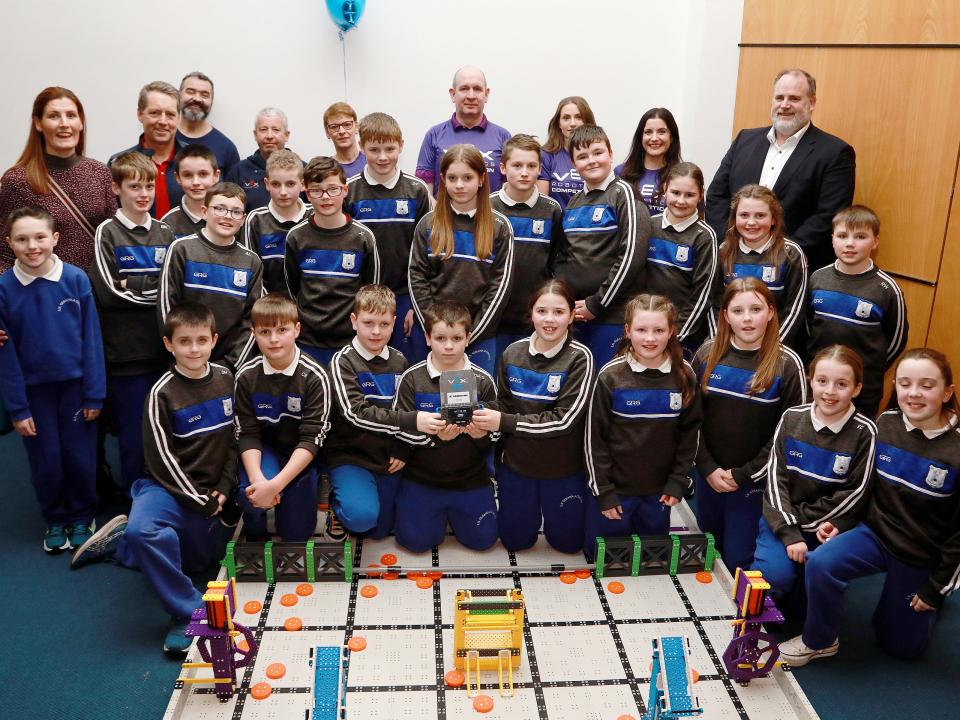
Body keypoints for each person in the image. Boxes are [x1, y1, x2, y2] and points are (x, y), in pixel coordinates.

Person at [71, 302, 239, 657]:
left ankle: (122, 547)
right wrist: (201, 500)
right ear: (169, 345)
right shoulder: (161, 393)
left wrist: (223, 490)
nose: (193, 349)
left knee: (200, 563)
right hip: (166, 488)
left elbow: (235, 443)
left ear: (214, 340)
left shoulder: (227, 379)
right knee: (146, 531)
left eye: (201, 340)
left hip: (212, 493)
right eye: (184, 341)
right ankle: (188, 612)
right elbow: (161, 460)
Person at [780, 348, 960, 665]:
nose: (914, 394)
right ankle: (820, 640)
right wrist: (844, 522)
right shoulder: (886, 423)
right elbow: (866, 488)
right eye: (905, 383)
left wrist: (936, 588)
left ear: (947, 392)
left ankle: (930, 601)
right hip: (875, 534)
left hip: (921, 553)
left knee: (900, 647)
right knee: (821, 562)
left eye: (927, 385)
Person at [0, 206, 105, 552]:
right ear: (9, 243)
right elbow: (7, 354)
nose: (32, 246)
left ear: (55, 239)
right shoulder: (4, 288)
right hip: (33, 394)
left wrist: (94, 395)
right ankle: (55, 519)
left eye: (40, 237)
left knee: (79, 456)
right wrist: (17, 408)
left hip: (76, 390)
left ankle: (81, 515)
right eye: (22, 239)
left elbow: (92, 340)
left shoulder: (76, 279)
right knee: (46, 458)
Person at [472, 280, 594, 553]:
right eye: (542, 311)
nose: (549, 320)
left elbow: (565, 419)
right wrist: (480, 423)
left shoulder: (580, 357)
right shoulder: (512, 353)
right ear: (531, 313)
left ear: (572, 315)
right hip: (518, 467)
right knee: (515, 543)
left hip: (562, 470)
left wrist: (504, 422)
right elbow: (503, 403)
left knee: (568, 544)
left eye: (559, 312)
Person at [693, 278, 807, 572]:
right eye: (738, 310)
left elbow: (789, 436)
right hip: (710, 474)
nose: (747, 318)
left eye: (755, 309)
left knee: (736, 561)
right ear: (725, 315)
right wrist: (707, 468)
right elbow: (690, 420)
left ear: (770, 312)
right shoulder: (706, 355)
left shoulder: (787, 364)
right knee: (708, 547)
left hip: (753, 480)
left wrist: (744, 474)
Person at [754, 345, 876, 606]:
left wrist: (807, 526)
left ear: (856, 389)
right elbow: (776, 480)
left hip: (826, 526)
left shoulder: (865, 432)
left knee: (812, 593)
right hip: (783, 520)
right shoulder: (791, 417)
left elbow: (856, 493)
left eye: (841, 384)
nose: (830, 391)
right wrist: (789, 531)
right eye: (822, 381)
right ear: (811, 381)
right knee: (773, 576)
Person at [583, 294, 701, 560]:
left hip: (658, 494)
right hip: (615, 494)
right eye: (641, 330)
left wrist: (676, 482)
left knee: (651, 559)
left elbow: (690, 435)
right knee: (602, 558)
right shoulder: (610, 376)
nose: (650, 338)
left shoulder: (685, 376)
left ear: (671, 331)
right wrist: (605, 492)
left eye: (659, 330)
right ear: (627, 331)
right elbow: (594, 440)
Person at [706, 69, 855, 272]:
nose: (784, 105)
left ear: (811, 103)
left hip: (790, 269)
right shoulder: (745, 139)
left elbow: (828, 215)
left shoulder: (835, 152)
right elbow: (716, 196)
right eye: (779, 97)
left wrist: (778, 255)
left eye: (794, 98)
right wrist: (729, 244)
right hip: (732, 264)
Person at [327, 285, 444, 539]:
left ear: (394, 323)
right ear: (354, 321)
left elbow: (406, 407)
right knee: (362, 519)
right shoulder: (342, 361)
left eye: (383, 323)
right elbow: (355, 413)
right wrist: (413, 421)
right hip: (351, 456)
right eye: (368, 323)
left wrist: (402, 449)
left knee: (381, 530)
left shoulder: (400, 361)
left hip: (388, 457)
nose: (376, 331)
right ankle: (337, 504)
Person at [90, 151, 175, 492]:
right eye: (134, 186)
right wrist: (153, 291)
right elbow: (109, 292)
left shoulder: (166, 232)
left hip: (164, 352)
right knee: (133, 436)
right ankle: (133, 506)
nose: (143, 194)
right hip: (125, 357)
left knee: (165, 432)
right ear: (116, 188)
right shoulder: (106, 233)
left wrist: (134, 284)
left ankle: (163, 499)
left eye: (149, 186)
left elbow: (174, 288)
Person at [392, 302, 499, 552]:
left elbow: (495, 436)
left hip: (470, 478)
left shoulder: (483, 380)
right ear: (428, 338)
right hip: (423, 478)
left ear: (468, 338)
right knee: (414, 543)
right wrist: (433, 437)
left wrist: (482, 434)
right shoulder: (411, 378)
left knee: (483, 541)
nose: (448, 346)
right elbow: (400, 429)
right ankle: (429, 512)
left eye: (456, 338)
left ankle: (466, 508)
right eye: (440, 338)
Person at [408, 144, 514, 374]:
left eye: (467, 177)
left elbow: (500, 288)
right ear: (443, 180)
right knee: (429, 403)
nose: (459, 185)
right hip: (432, 337)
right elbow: (417, 278)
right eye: (453, 178)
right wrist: (436, 331)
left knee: (473, 406)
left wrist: (469, 334)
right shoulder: (428, 224)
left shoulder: (500, 227)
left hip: (479, 335)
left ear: (481, 179)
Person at [234, 294, 330, 541]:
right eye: (265, 331)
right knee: (252, 495)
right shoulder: (246, 376)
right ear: (253, 333)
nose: (274, 339)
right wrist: (260, 482)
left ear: (297, 330)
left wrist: (275, 485)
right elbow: (247, 433)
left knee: (296, 534)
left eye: (282, 329)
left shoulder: (315, 376)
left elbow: (312, 438)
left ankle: (308, 483)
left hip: (299, 455)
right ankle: (254, 526)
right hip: (264, 452)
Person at [556, 125, 651, 367]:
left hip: (611, 315)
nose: (591, 161)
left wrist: (597, 303)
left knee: (604, 383)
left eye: (598, 152)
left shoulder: (624, 194)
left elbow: (632, 256)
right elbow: (565, 257)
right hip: (577, 316)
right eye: (582, 156)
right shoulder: (575, 202)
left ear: (610, 153)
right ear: (573, 163)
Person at [0, 87, 115, 273]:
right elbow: (4, 253)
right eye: (54, 116)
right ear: (38, 123)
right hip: (45, 290)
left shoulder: (100, 172)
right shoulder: (18, 180)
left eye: (71, 115)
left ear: (80, 123)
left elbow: (113, 236)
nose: (64, 124)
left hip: (96, 292)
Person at [807, 205, 907, 417]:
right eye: (842, 236)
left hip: (863, 390)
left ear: (875, 242)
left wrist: (868, 368)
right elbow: (808, 326)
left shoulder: (887, 290)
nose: (850, 243)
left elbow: (896, 342)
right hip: (819, 385)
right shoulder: (817, 278)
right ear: (832, 238)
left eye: (860, 236)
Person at [346, 113, 431, 359]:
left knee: (407, 368)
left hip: (406, 297)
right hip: (362, 297)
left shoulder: (416, 191)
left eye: (390, 148)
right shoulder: (349, 191)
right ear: (361, 147)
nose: (382, 157)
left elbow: (425, 252)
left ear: (401, 146)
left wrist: (417, 305)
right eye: (374, 149)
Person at [284, 156, 380, 366]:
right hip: (308, 340)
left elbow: (371, 292)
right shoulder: (296, 237)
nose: (325, 197)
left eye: (333, 189)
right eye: (317, 190)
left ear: (345, 190)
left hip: (351, 341)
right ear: (307, 194)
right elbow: (292, 287)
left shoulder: (363, 237)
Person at [159, 182, 262, 370]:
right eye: (220, 209)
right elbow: (167, 306)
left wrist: (231, 365)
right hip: (183, 361)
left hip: (228, 366)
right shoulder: (182, 249)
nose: (227, 216)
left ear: (243, 218)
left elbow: (251, 321)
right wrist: (181, 355)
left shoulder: (251, 262)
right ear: (204, 211)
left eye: (236, 212)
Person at [490, 134, 565, 357]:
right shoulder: (487, 207)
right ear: (503, 168)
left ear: (540, 168)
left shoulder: (552, 210)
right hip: (493, 319)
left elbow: (556, 263)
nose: (524, 172)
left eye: (531, 165)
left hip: (535, 320)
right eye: (517, 165)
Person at [709, 184, 807, 350]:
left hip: (773, 348)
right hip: (729, 346)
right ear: (734, 218)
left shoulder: (791, 253)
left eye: (760, 215)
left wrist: (771, 348)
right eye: (744, 215)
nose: (751, 222)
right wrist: (721, 343)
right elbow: (715, 305)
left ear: (774, 219)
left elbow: (794, 310)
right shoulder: (723, 251)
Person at [645, 162, 717, 354]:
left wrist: (675, 335)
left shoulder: (704, 236)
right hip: (645, 330)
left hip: (681, 335)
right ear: (664, 189)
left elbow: (703, 295)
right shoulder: (648, 225)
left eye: (690, 195)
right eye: (675, 192)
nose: (681, 201)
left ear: (701, 195)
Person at [416, 66, 512, 195]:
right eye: (464, 88)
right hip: (444, 215)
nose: (471, 96)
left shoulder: (503, 136)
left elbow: (510, 188)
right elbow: (424, 192)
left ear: (486, 94)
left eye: (477, 89)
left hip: (490, 215)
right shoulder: (434, 135)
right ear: (453, 94)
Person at [111, 81, 183, 219]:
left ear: (178, 118)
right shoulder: (119, 163)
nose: (163, 121)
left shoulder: (195, 162)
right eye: (155, 113)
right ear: (139, 114)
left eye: (170, 114)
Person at [242, 149, 310, 295]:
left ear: (303, 184)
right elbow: (252, 274)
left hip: (310, 307)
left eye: (290, 184)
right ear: (267, 184)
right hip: (270, 309)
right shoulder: (255, 220)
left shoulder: (315, 215)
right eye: (276, 184)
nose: (283, 192)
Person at [615, 108, 682, 216]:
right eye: (648, 132)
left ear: (672, 137)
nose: (654, 138)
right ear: (640, 137)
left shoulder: (683, 176)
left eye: (661, 132)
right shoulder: (620, 172)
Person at [227, 107, 293, 211]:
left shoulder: (302, 169)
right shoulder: (239, 171)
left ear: (286, 135)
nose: (269, 136)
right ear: (255, 134)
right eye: (263, 130)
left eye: (276, 130)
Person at [175, 72, 240, 176]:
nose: (197, 98)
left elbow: (233, 191)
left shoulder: (227, 148)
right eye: (190, 92)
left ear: (211, 101)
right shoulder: (164, 139)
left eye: (204, 94)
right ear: (179, 96)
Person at [537, 96, 596, 211]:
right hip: (556, 226)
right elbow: (543, 205)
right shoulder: (546, 155)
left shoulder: (596, 157)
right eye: (566, 118)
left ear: (588, 122)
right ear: (559, 124)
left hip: (588, 225)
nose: (572, 123)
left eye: (579, 117)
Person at [161, 144, 220, 239]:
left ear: (216, 176)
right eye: (187, 175)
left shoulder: (228, 217)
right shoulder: (167, 224)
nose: (195, 182)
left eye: (203, 174)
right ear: (178, 178)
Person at [324, 102, 365, 179]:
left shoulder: (371, 161)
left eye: (347, 125)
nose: (342, 131)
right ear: (327, 132)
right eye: (334, 127)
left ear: (356, 127)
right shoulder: (325, 170)